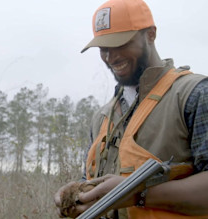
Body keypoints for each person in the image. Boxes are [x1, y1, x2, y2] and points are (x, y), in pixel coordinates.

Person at [54, 0, 208, 218]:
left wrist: (136, 194)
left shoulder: (195, 95)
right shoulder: (102, 117)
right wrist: (76, 195)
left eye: (120, 43)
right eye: (103, 48)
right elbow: (92, 179)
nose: (110, 57)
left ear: (151, 34)